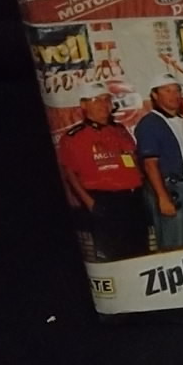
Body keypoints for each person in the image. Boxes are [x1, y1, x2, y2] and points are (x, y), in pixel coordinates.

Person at [58, 81, 148, 261]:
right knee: (114, 257)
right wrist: (90, 202)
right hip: (105, 201)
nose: (103, 104)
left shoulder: (120, 130)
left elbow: (133, 159)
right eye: (96, 100)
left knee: (140, 254)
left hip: (133, 199)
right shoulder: (74, 137)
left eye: (106, 99)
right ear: (84, 105)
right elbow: (70, 173)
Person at [134, 73, 183, 249]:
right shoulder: (150, 123)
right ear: (155, 95)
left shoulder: (182, 121)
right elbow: (150, 164)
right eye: (167, 91)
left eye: (177, 90)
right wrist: (162, 197)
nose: (174, 95)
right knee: (174, 242)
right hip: (170, 188)